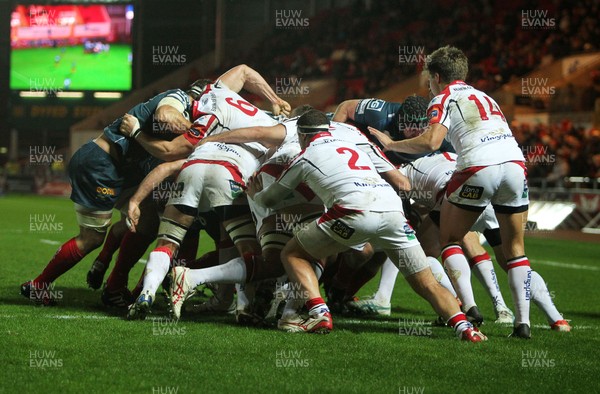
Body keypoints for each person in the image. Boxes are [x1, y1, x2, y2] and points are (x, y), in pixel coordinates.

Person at [250, 110, 486, 341]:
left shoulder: (304, 157)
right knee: (427, 282)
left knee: (293, 254)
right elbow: (401, 183)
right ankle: (465, 328)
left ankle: (319, 313)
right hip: (393, 214)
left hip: (352, 213)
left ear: (301, 135)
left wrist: (256, 193)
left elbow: (271, 200)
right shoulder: (358, 146)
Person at [369, 45, 533, 339]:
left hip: (477, 168)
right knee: (515, 251)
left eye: (429, 80)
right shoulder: (486, 96)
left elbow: (432, 141)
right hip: (515, 165)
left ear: (436, 76)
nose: (429, 86)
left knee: (449, 239)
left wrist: (391, 145)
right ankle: (523, 323)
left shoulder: (443, 97)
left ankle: (468, 309)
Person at [20, 84, 197, 306]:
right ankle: (39, 285)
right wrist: (196, 131)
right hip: (102, 165)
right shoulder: (177, 100)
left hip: (121, 169)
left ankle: (113, 284)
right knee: (91, 237)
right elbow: (166, 120)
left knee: (148, 219)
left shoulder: (177, 121)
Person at [333, 95, 454, 164]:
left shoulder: (439, 131)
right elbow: (346, 107)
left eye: (422, 129)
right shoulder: (381, 113)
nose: (418, 134)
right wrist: (333, 142)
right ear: (400, 122)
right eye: (413, 129)